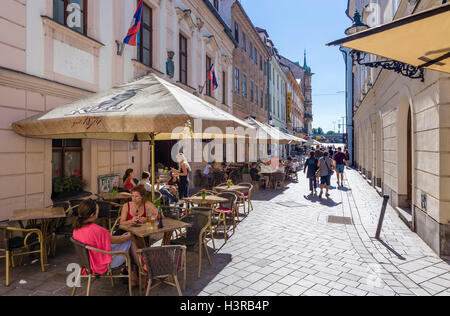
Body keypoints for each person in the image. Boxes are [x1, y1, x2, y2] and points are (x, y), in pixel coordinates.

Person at [72, 199, 139, 283]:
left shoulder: (76, 228)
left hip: (87, 261)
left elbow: (110, 241)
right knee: (130, 240)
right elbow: (116, 240)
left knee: (126, 239)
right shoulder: (98, 230)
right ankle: (141, 268)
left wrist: (123, 237)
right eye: (97, 211)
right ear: (93, 214)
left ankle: (136, 272)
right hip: (102, 264)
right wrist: (128, 236)